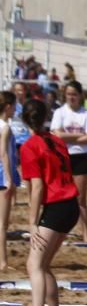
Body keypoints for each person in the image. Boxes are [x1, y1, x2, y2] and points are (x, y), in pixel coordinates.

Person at [19, 99, 80, 306]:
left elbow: (37, 188)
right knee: (43, 265)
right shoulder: (57, 140)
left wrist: (32, 222)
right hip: (71, 205)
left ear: (24, 119)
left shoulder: (30, 146)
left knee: (33, 264)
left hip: (56, 207)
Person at [49, 81, 87, 243]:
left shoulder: (86, 114)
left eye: (74, 94)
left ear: (80, 95)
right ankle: (60, 231)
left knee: (81, 199)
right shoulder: (60, 112)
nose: (71, 97)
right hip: (63, 157)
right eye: (69, 94)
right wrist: (78, 136)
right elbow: (57, 135)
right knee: (61, 197)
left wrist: (67, 136)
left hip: (81, 158)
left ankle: (86, 234)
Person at [0, 91, 21, 271]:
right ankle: (3, 262)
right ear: (7, 107)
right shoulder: (4, 127)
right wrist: (9, 179)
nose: (15, 109)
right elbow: (4, 154)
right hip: (1, 175)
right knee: (2, 223)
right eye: (14, 105)